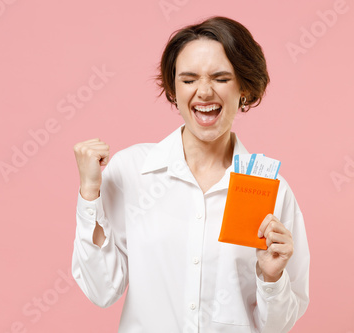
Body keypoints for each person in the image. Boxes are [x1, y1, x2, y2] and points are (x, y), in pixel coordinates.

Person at [72, 16, 310, 333]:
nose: (204, 92)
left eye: (221, 78)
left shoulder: (273, 191)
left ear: (244, 87)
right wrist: (90, 193)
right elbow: (101, 291)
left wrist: (272, 277)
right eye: (189, 80)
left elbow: (278, 327)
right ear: (174, 89)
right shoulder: (131, 172)